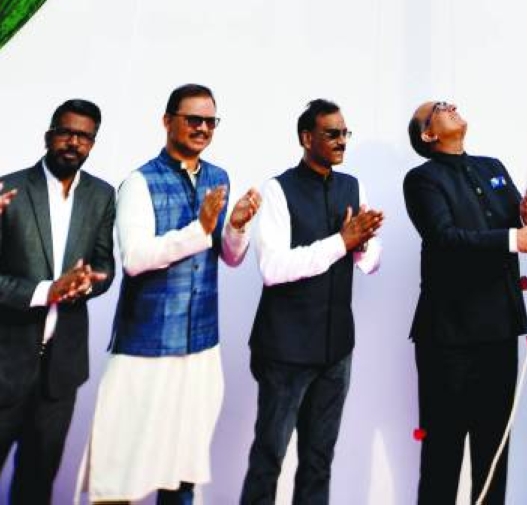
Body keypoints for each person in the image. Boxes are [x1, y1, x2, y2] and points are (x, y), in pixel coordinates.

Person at [80, 83, 261, 504]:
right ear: (167, 121)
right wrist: (199, 229)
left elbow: (230, 258)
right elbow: (136, 259)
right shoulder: (139, 182)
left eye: (209, 121)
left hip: (200, 346)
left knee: (182, 470)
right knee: (120, 472)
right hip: (145, 347)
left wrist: (235, 225)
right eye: (192, 119)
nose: (202, 128)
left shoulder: (218, 178)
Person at [403, 100, 527, 505]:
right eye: (439, 107)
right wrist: (514, 238)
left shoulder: (492, 167)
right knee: (444, 451)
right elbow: (444, 238)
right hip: (448, 337)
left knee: (494, 452)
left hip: (499, 329)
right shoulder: (421, 179)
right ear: (428, 134)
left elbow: (516, 227)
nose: (451, 106)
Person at [239, 98, 384, 505]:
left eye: (344, 133)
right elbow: (273, 267)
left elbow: (371, 263)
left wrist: (361, 246)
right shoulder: (278, 189)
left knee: (320, 459)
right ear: (306, 138)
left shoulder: (352, 186)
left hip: (336, 348)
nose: (341, 141)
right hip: (284, 349)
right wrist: (343, 241)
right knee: (269, 456)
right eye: (331, 134)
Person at [0, 99, 114, 504]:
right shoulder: (7, 189)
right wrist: (45, 291)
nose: (73, 142)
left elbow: (104, 264)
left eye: (84, 136)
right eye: (66, 132)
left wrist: (88, 283)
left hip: (60, 371)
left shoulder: (101, 196)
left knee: (37, 483)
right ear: (49, 136)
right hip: (5, 364)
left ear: (92, 143)